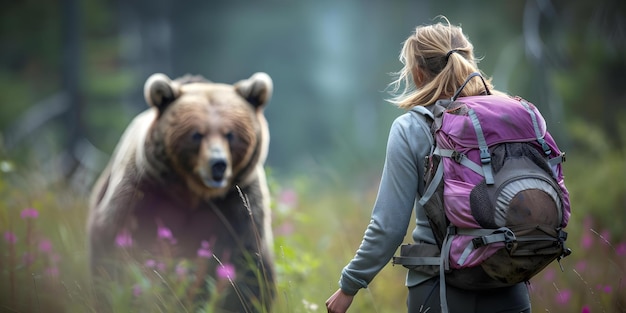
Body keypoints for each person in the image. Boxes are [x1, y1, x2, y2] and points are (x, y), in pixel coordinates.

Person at [325, 17, 532, 313]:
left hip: (440, 287)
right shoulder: (511, 117)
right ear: (469, 62)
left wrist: (349, 285)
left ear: (419, 73)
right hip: (509, 285)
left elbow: (389, 227)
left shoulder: (411, 128)